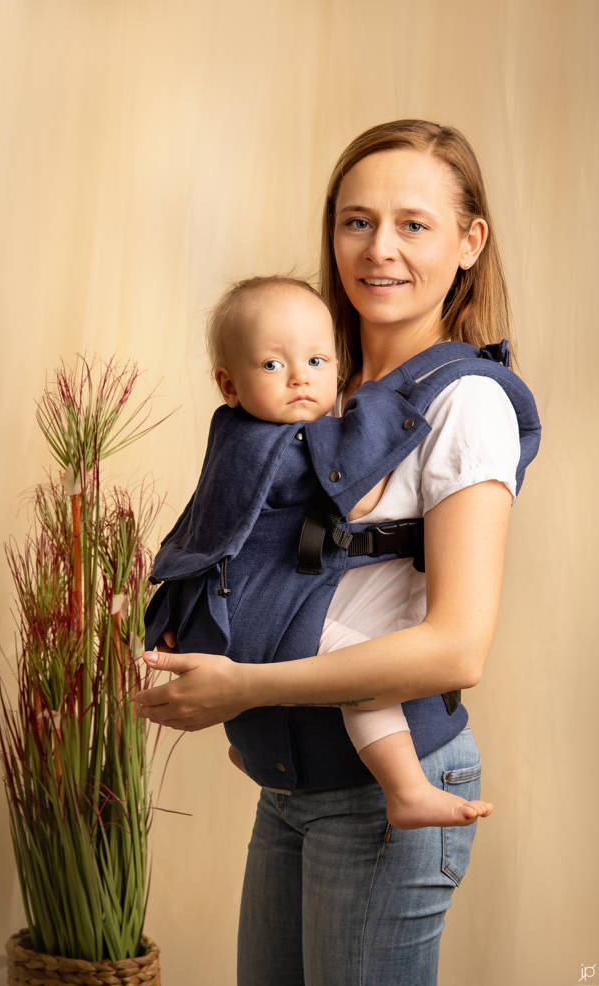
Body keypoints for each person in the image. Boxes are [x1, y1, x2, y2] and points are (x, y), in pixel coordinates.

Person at [136, 120, 540, 986]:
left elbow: (455, 649)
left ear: (469, 242)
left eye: (412, 224)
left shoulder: (464, 404)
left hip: (385, 792)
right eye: (356, 221)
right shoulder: (314, 389)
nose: (378, 249)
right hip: (292, 783)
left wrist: (244, 689)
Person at [144, 273, 492, 829]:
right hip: (272, 610)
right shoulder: (299, 442)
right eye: (272, 365)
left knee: (280, 664)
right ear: (229, 384)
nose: (299, 379)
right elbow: (362, 497)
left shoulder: (231, 435)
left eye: (316, 362)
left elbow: (201, 525)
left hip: (228, 611)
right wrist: (373, 413)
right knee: (361, 673)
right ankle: (405, 788)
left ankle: (251, 751)